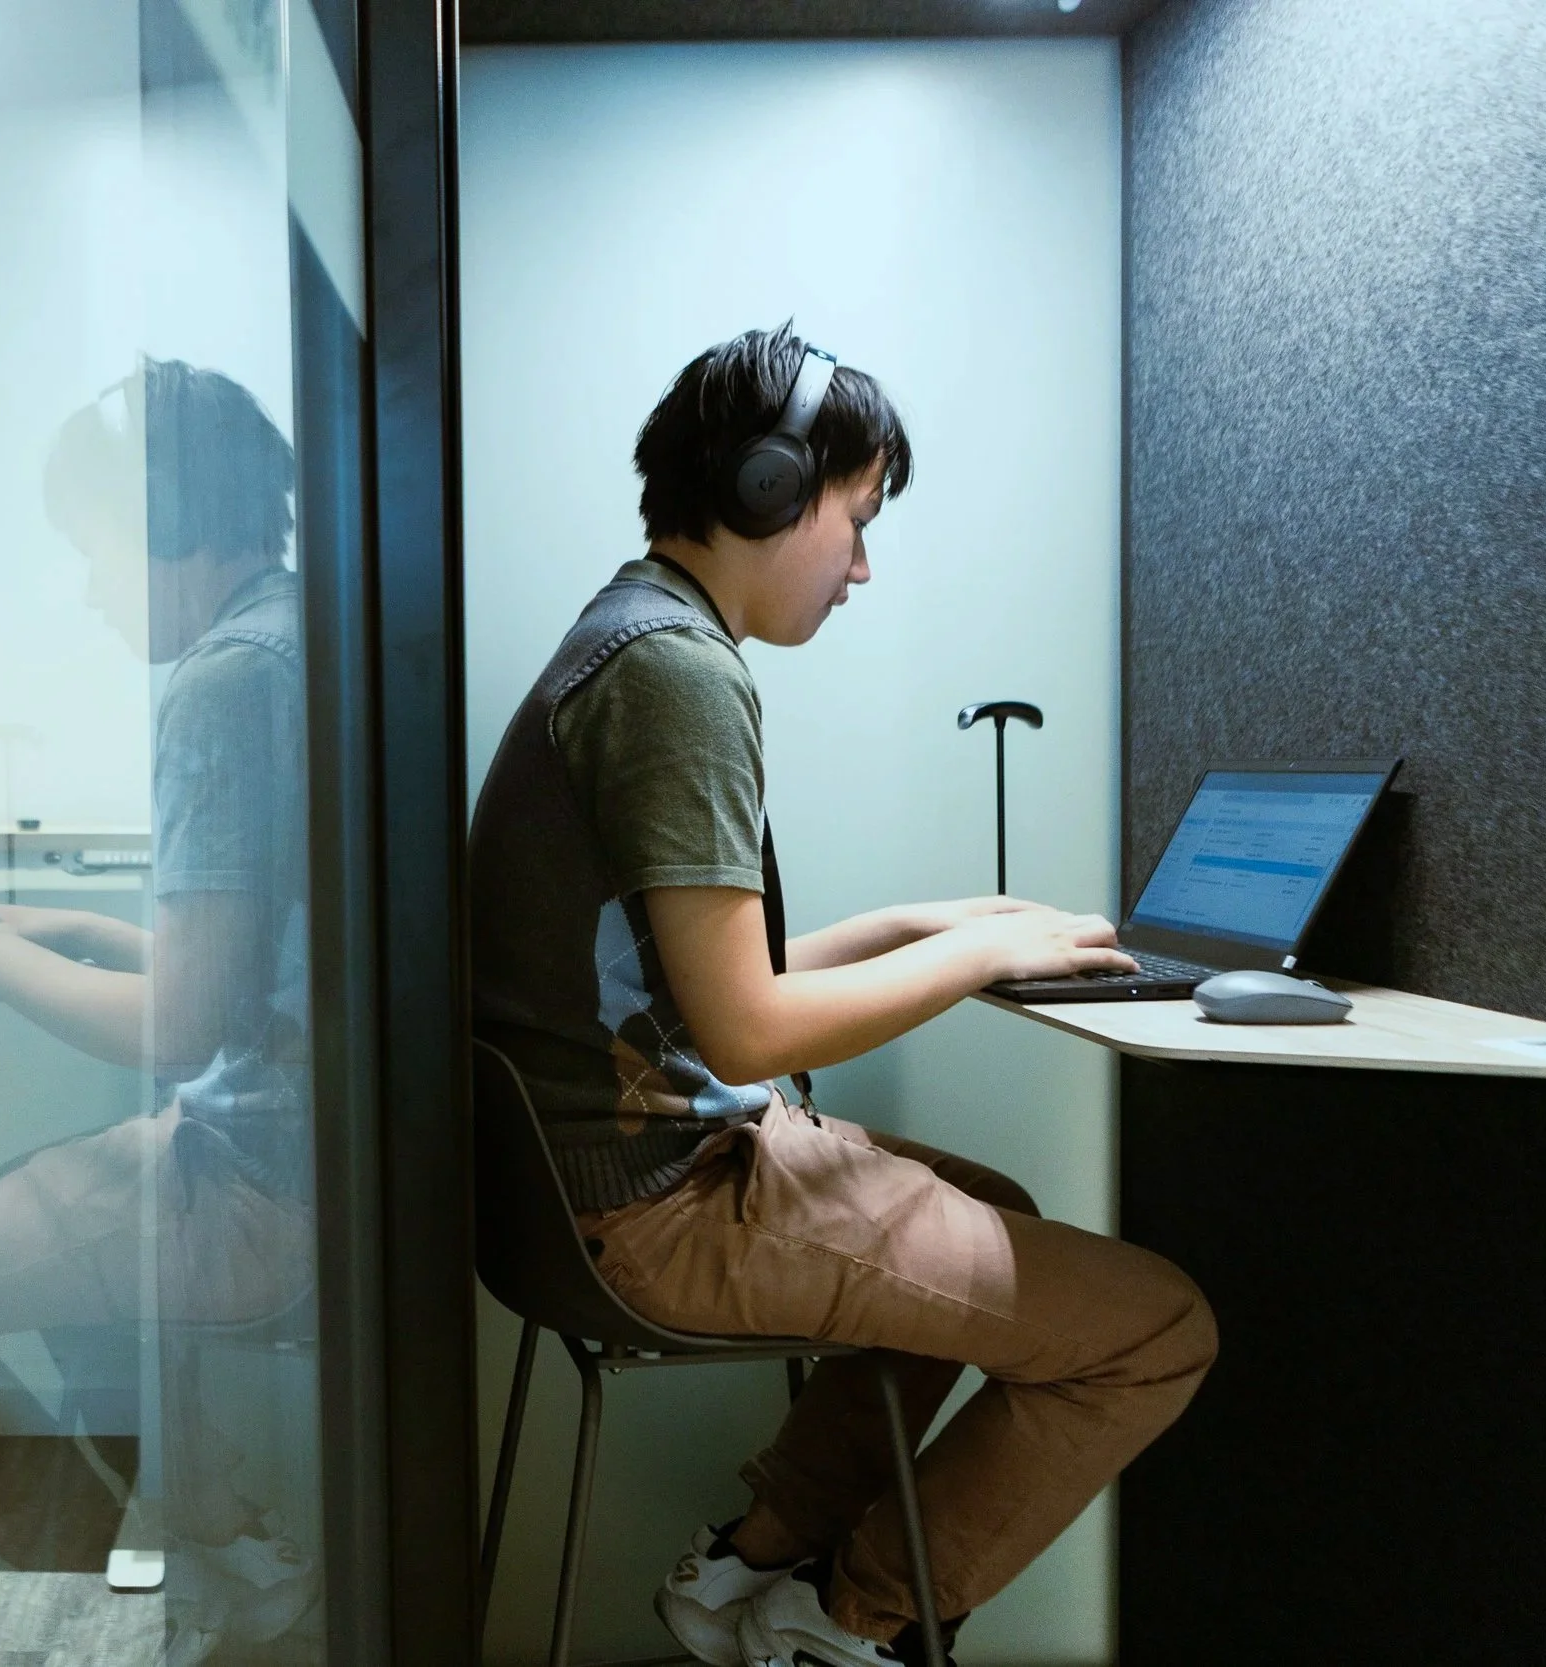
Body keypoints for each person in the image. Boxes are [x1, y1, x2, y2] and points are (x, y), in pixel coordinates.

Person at [468, 325, 1216, 1667]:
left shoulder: (629, 635)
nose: (864, 565)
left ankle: (749, 1569)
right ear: (770, 489)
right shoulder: (677, 675)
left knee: (997, 1211)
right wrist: (975, 961)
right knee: (1158, 1329)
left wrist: (939, 919)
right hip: (656, 1206)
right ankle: (843, 1621)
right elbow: (750, 1027)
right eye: (858, 520)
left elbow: (701, 987)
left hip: (594, 1179)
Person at [0, 359, 316, 1665]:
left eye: (94, 547)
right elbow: (242, 962)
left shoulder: (222, 685)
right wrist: (51, 930)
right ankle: (219, 1546)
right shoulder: (302, 636)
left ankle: (124, 1576)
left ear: (163, 515)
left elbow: (178, 1029)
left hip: (253, 1191)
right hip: (318, 1166)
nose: (89, 587)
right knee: (39, 1193)